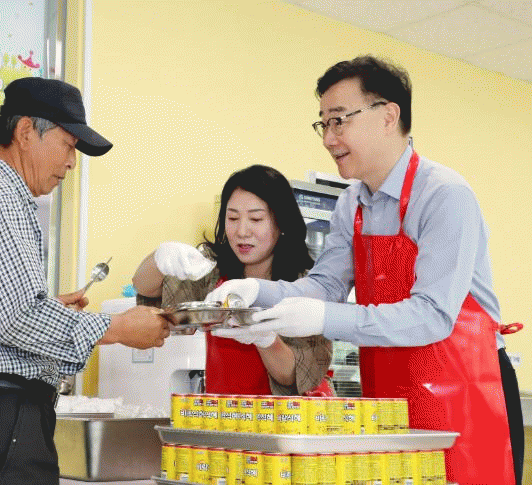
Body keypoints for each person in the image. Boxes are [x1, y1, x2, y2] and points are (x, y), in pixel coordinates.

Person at [206, 56, 523, 485]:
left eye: (339, 121)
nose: (329, 138)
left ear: (388, 116)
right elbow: (326, 286)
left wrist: (323, 318)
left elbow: (432, 315)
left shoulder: (445, 195)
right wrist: (255, 292)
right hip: (388, 394)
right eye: (323, 124)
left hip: (465, 392)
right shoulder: (350, 203)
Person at [0, 77, 170, 485]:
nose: (72, 162)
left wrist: (49, 310)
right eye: (68, 145)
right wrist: (118, 328)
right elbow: (18, 319)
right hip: (0, 422)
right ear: (25, 132)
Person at [132, 164, 333, 396]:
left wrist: (265, 339)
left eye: (256, 219)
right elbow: (145, 288)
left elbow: (292, 375)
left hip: (286, 413)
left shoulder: (305, 286)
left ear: (282, 222)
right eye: (233, 218)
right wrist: (159, 259)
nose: (242, 231)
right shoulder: (214, 271)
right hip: (224, 409)